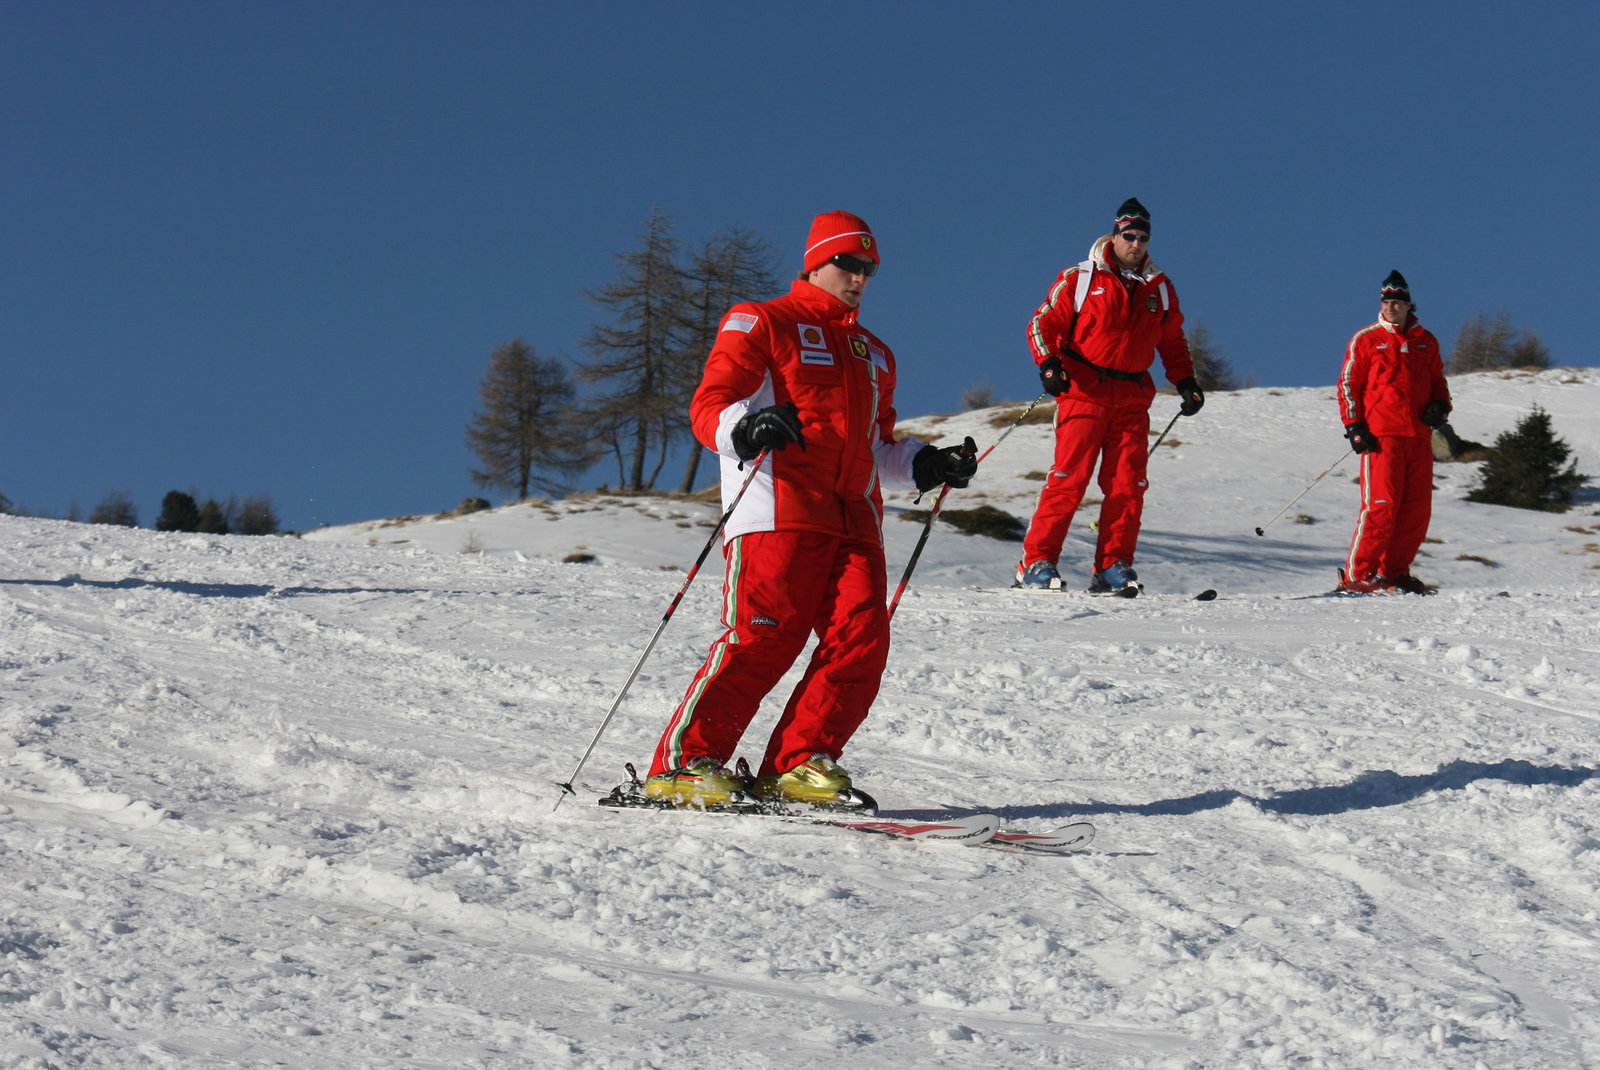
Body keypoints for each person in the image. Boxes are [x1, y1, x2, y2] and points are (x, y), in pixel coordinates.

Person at [643, 210, 978, 809]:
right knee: (764, 637)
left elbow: (879, 447)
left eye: (869, 269)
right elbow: (710, 404)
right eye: (849, 264)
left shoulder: (874, 353)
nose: (859, 278)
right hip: (777, 506)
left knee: (861, 642)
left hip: (853, 518)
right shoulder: (762, 321)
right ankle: (685, 764)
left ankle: (796, 765)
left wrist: (929, 464)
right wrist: (745, 428)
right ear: (815, 262)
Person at [1017, 197, 1202, 595]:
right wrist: (1050, 364)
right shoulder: (1082, 278)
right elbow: (1042, 323)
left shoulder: (1161, 288)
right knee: (1069, 479)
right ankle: (1036, 562)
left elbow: (1172, 342)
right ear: (1114, 235)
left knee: (1127, 485)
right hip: (1084, 391)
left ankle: (1113, 566)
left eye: (1143, 238)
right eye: (1129, 236)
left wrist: (1185, 381)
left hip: (1132, 396)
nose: (1135, 244)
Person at [1336, 270, 1451, 594]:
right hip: (1382, 437)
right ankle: (1360, 574)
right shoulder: (1367, 339)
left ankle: (1395, 572)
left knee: (1416, 510)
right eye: (1386, 302)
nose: (1391, 307)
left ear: (1408, 305)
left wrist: (1440, 405)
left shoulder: (1425, 341)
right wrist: (1355, 426)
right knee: (1381, 505)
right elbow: (1347, 385)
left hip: (1418, 437)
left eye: (1397, 302)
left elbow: (1438, 381)